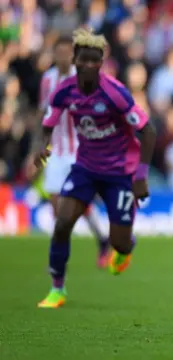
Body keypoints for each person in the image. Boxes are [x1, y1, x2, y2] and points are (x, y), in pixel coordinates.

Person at [33, 28, 156, 308]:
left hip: (119, 174)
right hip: (85, 168)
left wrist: (141, 176)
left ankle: (125, 248)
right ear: (75, 59)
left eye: (95, 60)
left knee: (120, 243)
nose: (89, 65)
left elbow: (147, 131)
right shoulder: (63, 90)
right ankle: (57, 290)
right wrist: (43, 145)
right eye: (84, 59)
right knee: (62, 222)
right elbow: (49, 121)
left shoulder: (116, 93)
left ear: (101, 63)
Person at [31, 35, 110, 268]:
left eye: (68, 52)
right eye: (60, 52)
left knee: (78, 203)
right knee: (57, 205)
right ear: (54, 54)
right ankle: (66, 253)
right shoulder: (48, 79)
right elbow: (42, 114)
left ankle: (100, 240)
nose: (64, 56)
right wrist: (37, 148)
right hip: (55, 150)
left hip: (80, 149)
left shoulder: (83, 80)